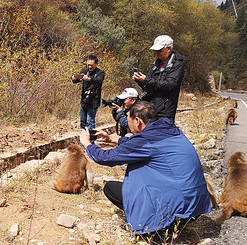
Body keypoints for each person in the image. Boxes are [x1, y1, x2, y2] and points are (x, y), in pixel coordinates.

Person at [79, 101, 211, 238]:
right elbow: (140, 144)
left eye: (128, 121)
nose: (128, 126)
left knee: (111, 188)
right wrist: (113, 139)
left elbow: (105, 157)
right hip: (195, 207)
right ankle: (169, 223)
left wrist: (87, 144)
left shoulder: (146, 141)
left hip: (177, 210)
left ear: (138, 121)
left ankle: (156, 229)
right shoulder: (169, 131)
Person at [133, 35, 184, 122]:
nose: (157, 53)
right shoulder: (156, 63)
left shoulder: (177, 65)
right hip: (151, 108)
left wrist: (146, 80)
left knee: (162, 134)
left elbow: (169, 85)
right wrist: (140, 80)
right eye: (155, 51)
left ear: (168, 48)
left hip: (165, 112)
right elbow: (150, 86)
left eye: (159, 50)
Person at [72, 55, 105, 130]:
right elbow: (77, 80)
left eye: (91, 65)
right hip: (84, 100)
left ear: (96, 64)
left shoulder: (100, 73)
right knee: (82, 121)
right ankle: (83, 139)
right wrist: (74, 79)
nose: (89, 67)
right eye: (88, 65)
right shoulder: (84, 71)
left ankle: (91, 140)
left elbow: (99, 81)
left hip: (93, 101)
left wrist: (89, 79)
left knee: (90, 122)